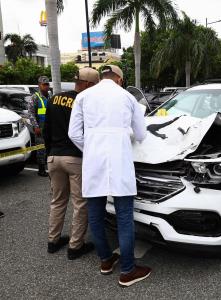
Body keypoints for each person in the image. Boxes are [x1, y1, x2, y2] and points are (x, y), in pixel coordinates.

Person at [68, 65, 150, 287]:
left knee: (95, 214)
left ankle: (105, 261)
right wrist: (124, 135)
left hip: (93, 163)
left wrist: (94, 146)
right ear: (120, 80)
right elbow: (141, 134)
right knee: (124, 217)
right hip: (120, 162)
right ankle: (127, 270)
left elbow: (73, 133)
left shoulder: (83, 96)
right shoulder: (127, 97)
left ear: (102, 77)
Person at [43, 68, 100, 259]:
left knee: (57, 201)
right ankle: (75, 246)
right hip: (74, 158)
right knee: (80, 203)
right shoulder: (85, 102)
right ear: (87, 85)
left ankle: (53, 241)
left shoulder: (54, 99)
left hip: (54, 157)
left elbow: (46, 130)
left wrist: (48, 154)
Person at [28, 76, 52, 176]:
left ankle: (49, 166)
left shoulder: (50, 96)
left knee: (49, 147)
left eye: (47, 85)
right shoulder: (35, 97)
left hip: (50, 127)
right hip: (40, 127)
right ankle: (41, 169)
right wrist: (36, 126)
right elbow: (31, 113)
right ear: (39, 85)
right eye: (44, 85)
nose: (46, 87)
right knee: (41, 148)